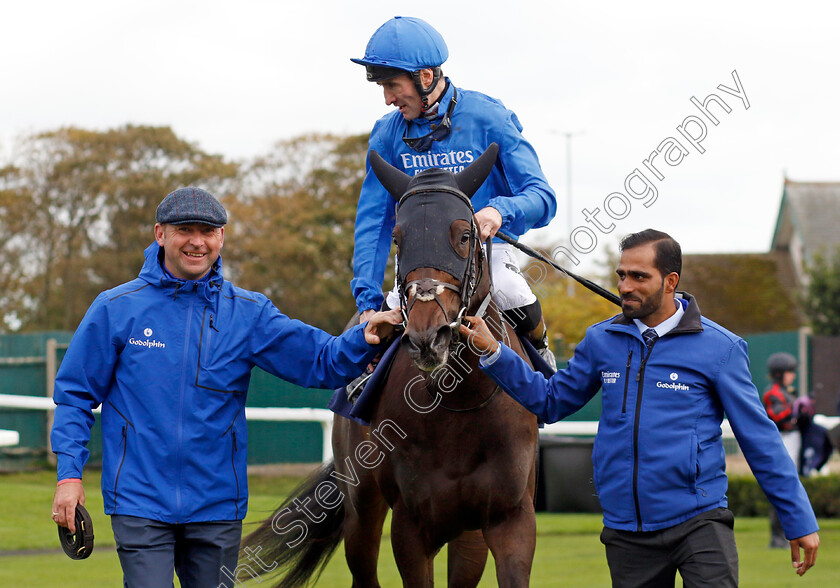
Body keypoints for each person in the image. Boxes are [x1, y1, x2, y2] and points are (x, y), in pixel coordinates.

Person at [50, 187, 401, 587]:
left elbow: (321, 360)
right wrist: (68, 477)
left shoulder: (248, 313)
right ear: (160, 233)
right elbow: (74, 396)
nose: (197, 241)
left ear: (222, 238)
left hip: (217, 505)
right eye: (185, 229)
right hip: (139, 501)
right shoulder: (116, 308)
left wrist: (365, 335)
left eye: (209, 231)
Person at [460, 229, 820, 585]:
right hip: (626, 531)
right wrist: (495, 352)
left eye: (639, 276)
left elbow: (760, 439)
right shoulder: (601, 340)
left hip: (700, 523)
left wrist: (799, 519)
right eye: (622, 275)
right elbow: (550, 402)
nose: (625, 285)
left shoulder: (720, 348)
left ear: (670, 281)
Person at [350, 16, 558, 371]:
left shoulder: (489, 116)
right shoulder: (386, 135)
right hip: (416, 261)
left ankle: (543, 366)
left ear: (425, 78)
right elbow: (373, 225)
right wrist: (368, 302)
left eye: (392, 86)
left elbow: (542, 197)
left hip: (483, 252)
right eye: (382, 88)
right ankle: (356, 398)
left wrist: (499, 211)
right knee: (368, 347)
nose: (387, 100)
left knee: (511, 289)